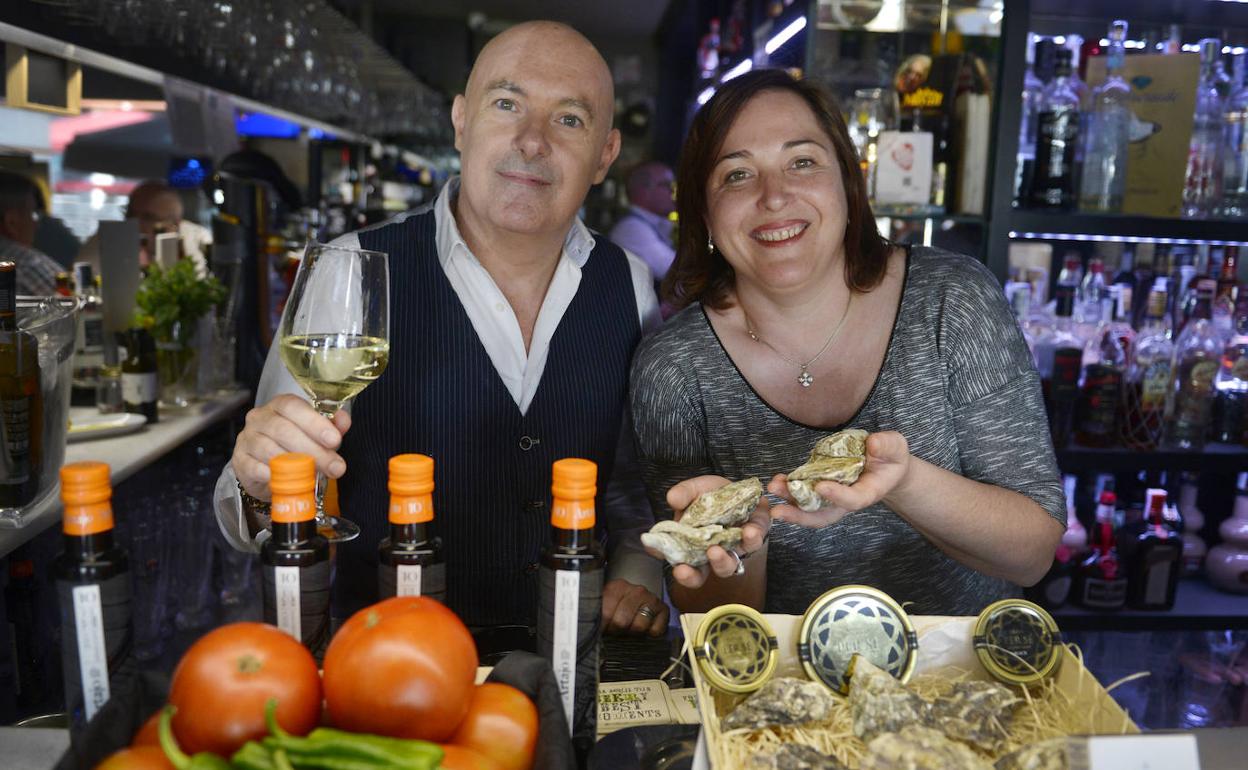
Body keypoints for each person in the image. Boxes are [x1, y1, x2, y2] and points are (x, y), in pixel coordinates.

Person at [216, 21, 668, 637]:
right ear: (461, 122)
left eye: (569, 119)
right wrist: (258, 484)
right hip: (382, 669)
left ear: (605, 156)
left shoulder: (631, 285)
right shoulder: (348, 270)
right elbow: (264, 502)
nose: (532, 141)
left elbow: (631, 483)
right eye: (506, 104)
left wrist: (637, 568)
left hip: (570, 661)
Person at [630, 69, 1065, 617]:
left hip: (958, 683)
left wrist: (904, 482)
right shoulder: (674, 365)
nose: (774, 196)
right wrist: (740, 544)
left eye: (803, 162)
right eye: (737, 175)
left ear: (847, 183)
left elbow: (1032, 554)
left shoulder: (951, 299)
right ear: (703, 212)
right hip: (777, 691)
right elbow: (707, 614)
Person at [78, 180, 210, 278]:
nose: (135, 224)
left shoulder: (198, 240)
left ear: (174, 224)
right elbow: (79, 279)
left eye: (147, 218)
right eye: (130, 214)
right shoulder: (107, 238)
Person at [0, 170, 66, 296]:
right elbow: (73, 310)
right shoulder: (26, 265)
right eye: (33, 215)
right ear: (11, 222)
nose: (36, 225)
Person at [609, 162, 676, 282]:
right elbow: (676, 270)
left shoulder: (648, 224)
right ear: (643, 191)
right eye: (667, 185)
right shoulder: (631, 228)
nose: (673, 191)